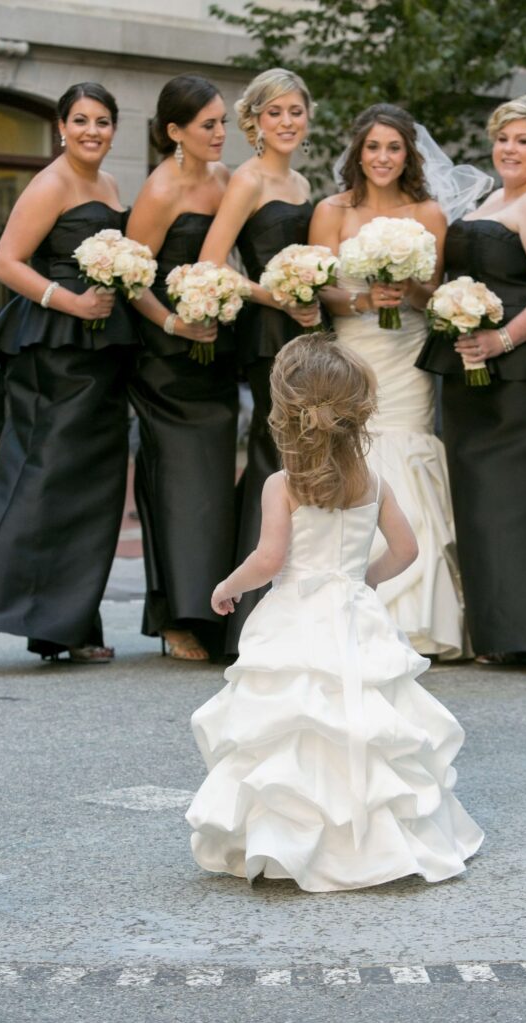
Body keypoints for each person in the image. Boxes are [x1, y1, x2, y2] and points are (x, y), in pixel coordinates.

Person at [185, 333, 483, 892]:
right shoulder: (374, 481)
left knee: (296, 722)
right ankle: (375, 841)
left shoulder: (282, 485)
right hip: (355, 614)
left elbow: (269, 559)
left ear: (285, 412)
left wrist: (228, 585)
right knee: (363, 718)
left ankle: (291, 841)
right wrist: (364, 579)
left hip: (296, 616)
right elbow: (406, 551)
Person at [310, 103, 486, 657]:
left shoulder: (429, 212)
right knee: (353, 455)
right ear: (358, 153)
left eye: (394, 148)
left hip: (406, 354)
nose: (383, 157)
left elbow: (433, 292)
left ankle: (416, 617)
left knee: (406, 453)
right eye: (373, 147)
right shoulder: (331, 210)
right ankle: (347, 611)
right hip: (352, 354)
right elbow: (319, 287)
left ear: (408, 155)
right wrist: (364, 299)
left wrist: (408, 291)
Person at [417, 94, 526, 663]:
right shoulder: (497, 197)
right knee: (482, 500)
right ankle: (498, 631)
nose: (508, 149)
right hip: (475, 370)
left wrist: (503, 339)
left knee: (514, 502)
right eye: (503, 139)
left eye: (523, 141)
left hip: (519, 376)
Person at [0, 83, 139, 663]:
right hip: (56, 352)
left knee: (87, 488)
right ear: (61, 127)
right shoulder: (50, 183)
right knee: (41, 479)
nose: (92, 131)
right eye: (81, 120)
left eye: (103, 121)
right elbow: (5, 263)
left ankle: (66, 625)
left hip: (102, 352)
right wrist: (70, 302)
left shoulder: (109, 184)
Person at [198, 67, 319, 654]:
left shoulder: (301, 180)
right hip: (269, 335)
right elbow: (211, 263)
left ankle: (296, 609)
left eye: (295, 110)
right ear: (255, 122)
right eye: (275, 112)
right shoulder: (247, 180)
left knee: (299, 463)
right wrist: (279, 297)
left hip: (306, 331)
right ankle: (248, 623)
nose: (287, 121)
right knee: (277, 463)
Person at [126, 75, 238, 661]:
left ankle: (212, 612)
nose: (220, 133)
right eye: (208, 125)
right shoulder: (159, 190)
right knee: (177, 488)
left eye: (222, 122)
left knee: (213, 489)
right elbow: (132, 279)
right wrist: (175, 324)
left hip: (216, 352)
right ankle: (173, 617)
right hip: (166, 363)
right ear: (175, 131)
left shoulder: (225, 179)